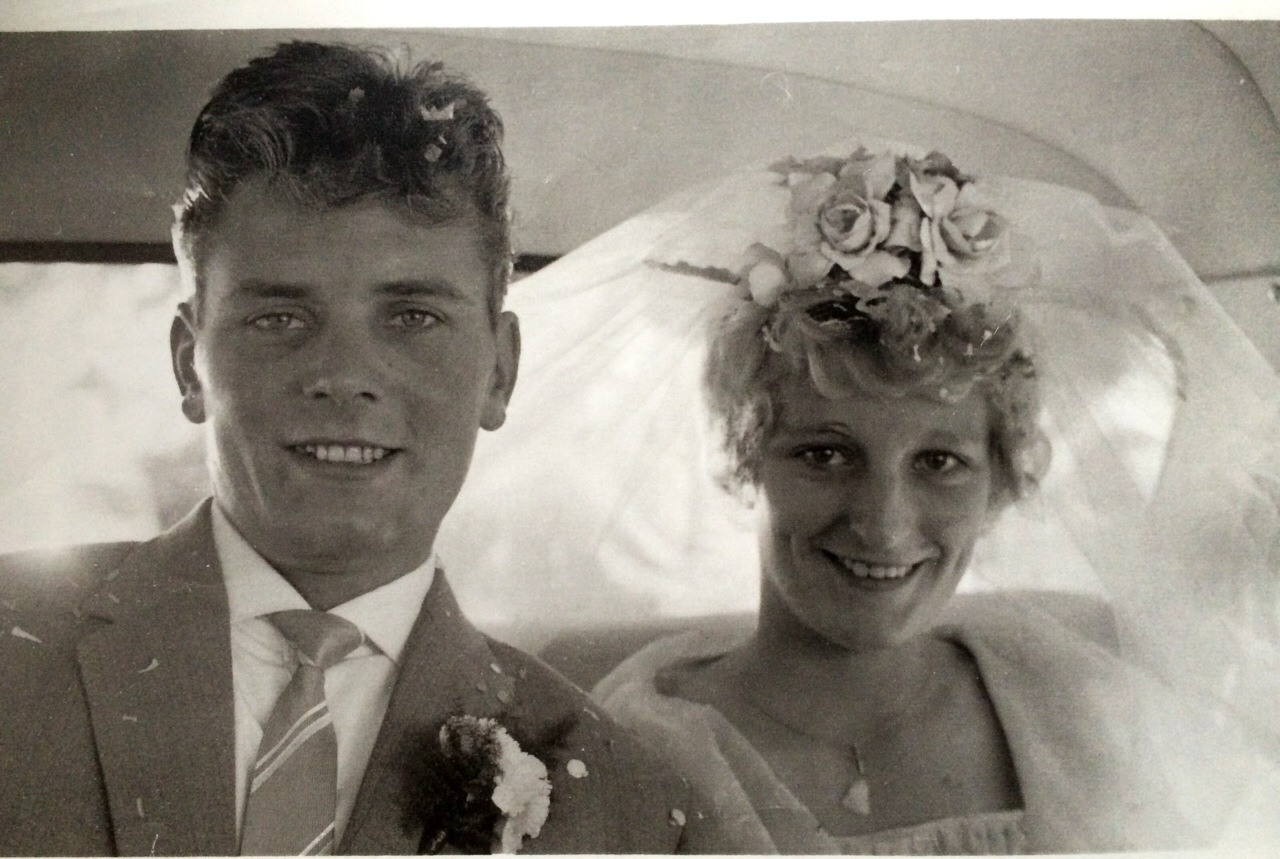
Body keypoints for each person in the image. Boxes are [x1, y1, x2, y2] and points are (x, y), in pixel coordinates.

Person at [441, 142, 1280, 852]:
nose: (883, 522)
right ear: (748, 455)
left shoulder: (1081, 701)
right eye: (826, 453)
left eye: (940, 462)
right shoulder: (630, 752)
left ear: (1001, 478)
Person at [0, 41, 714, 855]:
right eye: (279, 318)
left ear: (500, 372)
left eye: (412, 317)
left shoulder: (629, 806)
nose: (342, 377)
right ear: (188, 364)